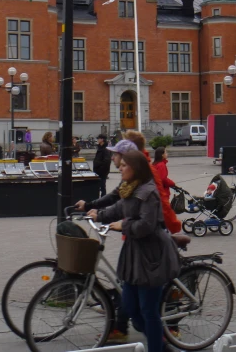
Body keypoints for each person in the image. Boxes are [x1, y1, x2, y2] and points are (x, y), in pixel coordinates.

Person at [86, 150, 181, 352]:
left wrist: (124, 226)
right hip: (134, 256)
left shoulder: (148, 192)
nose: (119, 168)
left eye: (123, 166)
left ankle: (157, 348)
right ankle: (162, 346)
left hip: (151, 257)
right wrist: (98, 214)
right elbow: (119, 208)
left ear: (136, 168)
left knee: (148, 311)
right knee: (130, 307)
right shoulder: (131, 187)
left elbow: (146, 225)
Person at [76, 138, 138, 344]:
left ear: (127, 159)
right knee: (125, 280)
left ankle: (156, 331)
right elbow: (115, 201)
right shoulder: (129, 180)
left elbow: (123, 207)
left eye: (116, 155)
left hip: (148, 241)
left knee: (131, 283)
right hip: (134, 237)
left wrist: (117, 221)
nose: (113, 158)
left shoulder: (141, 183)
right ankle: (122, 327)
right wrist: (95, 210)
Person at [124, 130, 182, 234]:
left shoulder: (145, 166)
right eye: (166, 152)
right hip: (141, 228)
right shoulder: (155, 166)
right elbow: (162, 180)